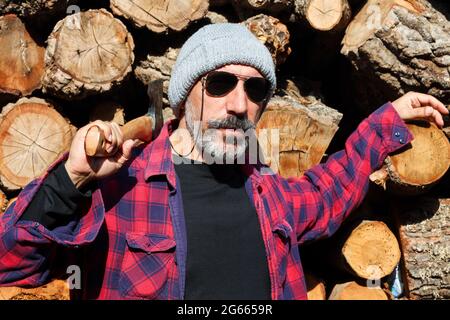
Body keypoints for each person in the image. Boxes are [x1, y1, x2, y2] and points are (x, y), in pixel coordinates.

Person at [0, 23, 447, 300]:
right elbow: (12, 267)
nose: (238, 103)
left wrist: (385, 120)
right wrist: (71, 178)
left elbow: (330, 190)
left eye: (255, 90)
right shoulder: (120, 186)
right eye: (219, 83)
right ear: (182, 96)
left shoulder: (268, 192)